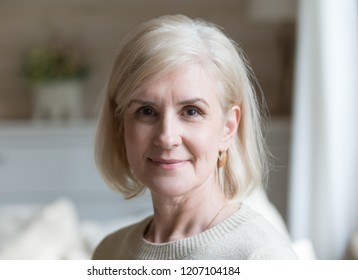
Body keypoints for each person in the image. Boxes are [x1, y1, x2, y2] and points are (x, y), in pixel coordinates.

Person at [92, 14, 298, 260]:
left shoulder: (262, 257)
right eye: (146, 112)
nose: (167, 137)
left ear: (228, 128)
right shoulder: (109, 252)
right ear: (121, 126)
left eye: (191, 111)